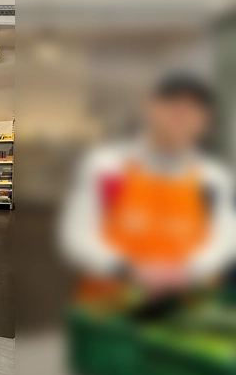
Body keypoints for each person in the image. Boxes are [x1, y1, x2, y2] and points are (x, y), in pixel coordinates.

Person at [59, 72, 236, 307]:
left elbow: (225, 239)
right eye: (173, 104)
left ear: (205, 119)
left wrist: (186, 270)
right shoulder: (107, 166)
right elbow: (76, 235)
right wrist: (129, 267)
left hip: (188, 312)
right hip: (108, 312)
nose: (182, 114)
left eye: (194, 108)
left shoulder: (212, 178)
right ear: (150, 106)